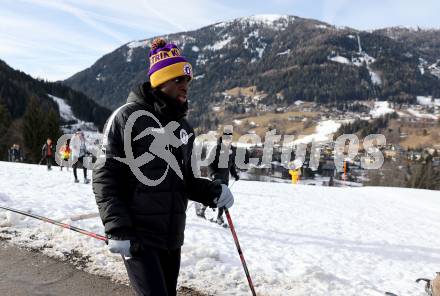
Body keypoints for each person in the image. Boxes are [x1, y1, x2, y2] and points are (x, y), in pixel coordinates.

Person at [93, 38, 234, 296]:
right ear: (160, 81)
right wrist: (117, 228)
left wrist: (213, 192)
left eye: (188, 81)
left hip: (171, 237)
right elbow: (105, 176)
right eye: (178, 80)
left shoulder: (183, 129)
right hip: (138, 237)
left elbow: (187, 181)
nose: (186, 87)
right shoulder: (126, 118)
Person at [196, 130, 239, 226]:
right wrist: (213, 174)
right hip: (215, 177)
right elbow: (209, 163)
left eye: (230, 139)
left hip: (225, 179)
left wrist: (234, 174)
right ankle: (204, 211)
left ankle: (218, 217)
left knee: (222, 198)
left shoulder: (231, 151)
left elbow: (231, 165)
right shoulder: (216, 148)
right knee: (215, 196)